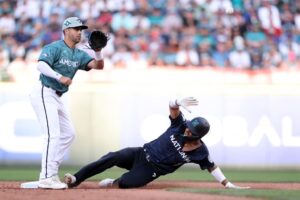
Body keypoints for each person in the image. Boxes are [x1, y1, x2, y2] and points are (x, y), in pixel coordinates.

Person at [64, 97, 249, 189]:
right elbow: (173, 107)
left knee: (126, 184)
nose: (187, 130)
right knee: (112, 156)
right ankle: (76, 179)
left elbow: (211, 166)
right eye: (188, 127)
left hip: (152, 170)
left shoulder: (201, 152)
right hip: (141, 153)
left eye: (191, 131)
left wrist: (227, 184)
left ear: (198, 136)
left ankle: (113, 183)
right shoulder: (180, 125)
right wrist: (176, 100)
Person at [29, 16, 105, 189]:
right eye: (76, 29)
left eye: (81, 29)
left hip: (57, 96)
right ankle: (47, 177)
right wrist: (58, 76)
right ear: (66, 31)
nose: (80, 32)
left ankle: (48, 173)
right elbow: (40, 65)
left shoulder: (79, 54)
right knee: (52, 135)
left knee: (69, 134)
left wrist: (98, 51)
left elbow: (98, 66)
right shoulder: (54, 47)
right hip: (44, 90)